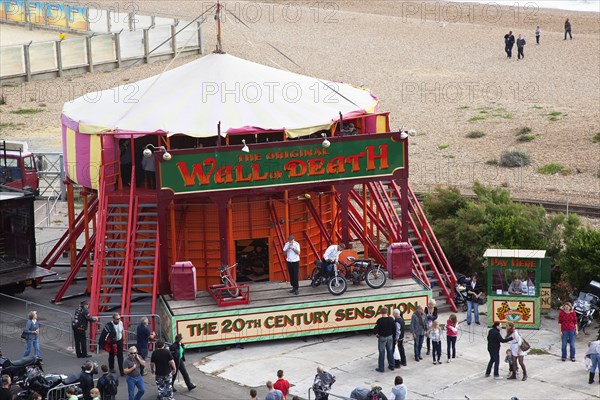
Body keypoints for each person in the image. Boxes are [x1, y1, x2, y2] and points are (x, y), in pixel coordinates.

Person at [373, 307, 396, 372]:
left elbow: (375, 330)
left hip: (382, 337)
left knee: (382, 353)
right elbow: (394, 329)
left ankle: (381, 368)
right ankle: (392, 365)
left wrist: (376, 334)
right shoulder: (391, 319)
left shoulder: (380, 320)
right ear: (387, 312)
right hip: (390, 337)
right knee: (390, 351)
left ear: (381, 312)